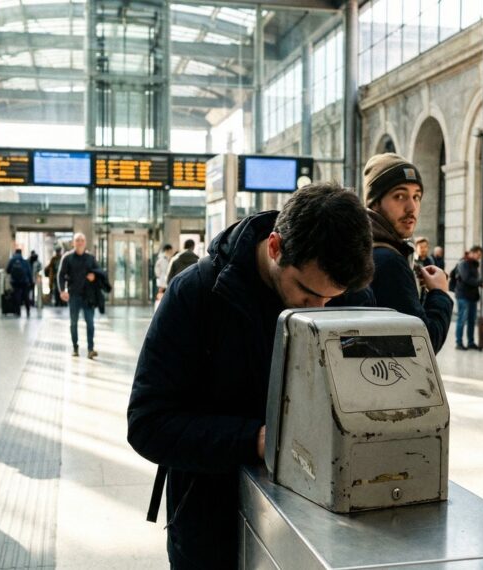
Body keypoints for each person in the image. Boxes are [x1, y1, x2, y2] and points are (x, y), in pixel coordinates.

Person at [127, 182, 374, 569]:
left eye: (332, 299)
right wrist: (256, 439)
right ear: (275, 247)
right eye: (308, 295)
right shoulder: (196, 295)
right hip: (211, 528)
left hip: (315, 522)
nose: (321, 309)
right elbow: (147, 423)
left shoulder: (345, 295)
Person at [359, 153, 452, 353]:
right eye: (399, 196)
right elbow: (423, 345)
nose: (412, 207)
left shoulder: (362, 248)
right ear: (375, 203)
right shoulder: (389, 261)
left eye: (416, 196)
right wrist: (440, 293)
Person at [58, 233, 100, 359]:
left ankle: (90, 349)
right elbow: (60, 275)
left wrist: (95, 277)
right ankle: (75, 347)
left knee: (90, 323)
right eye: (77, 240)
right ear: (73, 243)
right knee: (74, 323)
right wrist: (62, 291)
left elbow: (99, 273)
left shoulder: (90, 258)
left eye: (82, 240)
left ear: (85, 242)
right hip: (74, 296)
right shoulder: (67, 258)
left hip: (88, 297)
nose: (80, 242)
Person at [453, 246, 483, 350]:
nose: (479, 258)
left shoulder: (473, 264)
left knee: (471, 320)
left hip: (472, 296)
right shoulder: (463, 263)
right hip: (463, 296)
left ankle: (471, 342)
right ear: (472, 253)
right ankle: (459, 342)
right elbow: (467, 279)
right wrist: (481, 283)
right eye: (478, 255)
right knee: (462, 319)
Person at [6, 248, 32, 317]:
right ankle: (28, 311)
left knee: (17, 296)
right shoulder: (25, 261)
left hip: (15, 281)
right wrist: (31, 281)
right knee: (26, 296)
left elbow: (7, 270)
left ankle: (18, 312)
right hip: (24, 281)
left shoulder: (12, 261)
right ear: (21, 253)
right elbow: (29, 272)